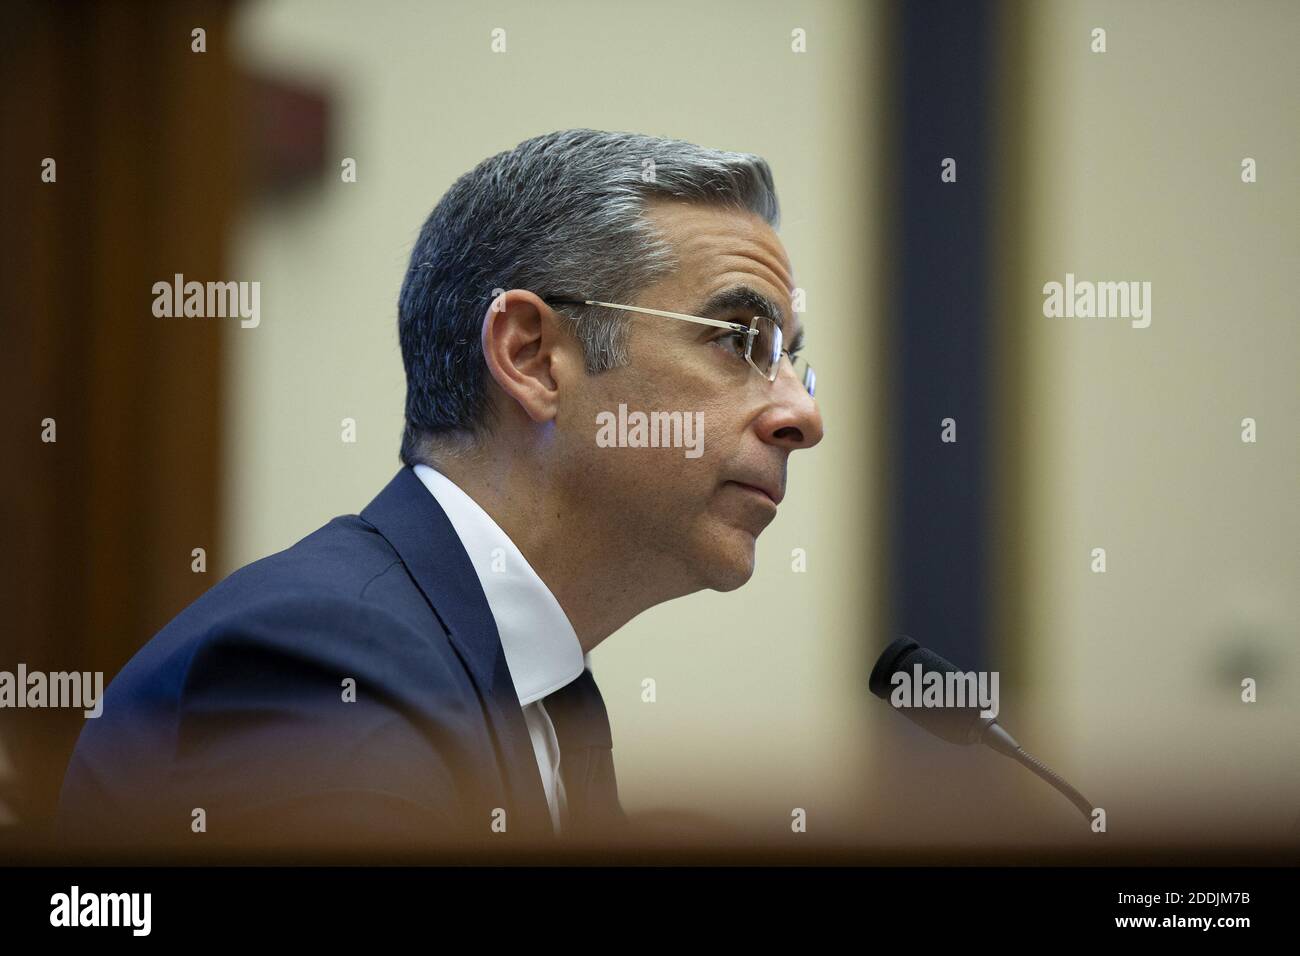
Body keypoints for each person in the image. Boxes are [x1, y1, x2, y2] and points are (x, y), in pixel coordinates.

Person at [55, 128, 824, 856]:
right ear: (531, 357)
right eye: (739, 341)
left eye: (792, 360)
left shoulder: (554, 698)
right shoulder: (323, 663)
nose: (803, 415)